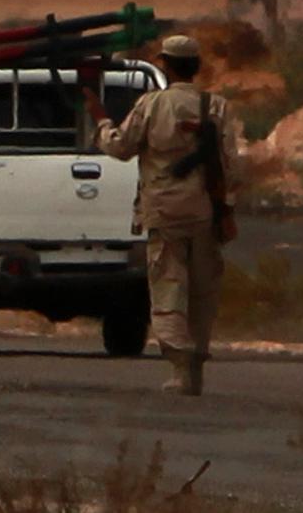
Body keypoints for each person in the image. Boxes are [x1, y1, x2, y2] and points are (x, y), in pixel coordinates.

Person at [84, 34, 242, 396]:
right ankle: (195, 370)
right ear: (196, 67)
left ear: (165, 65)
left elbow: (120, 147)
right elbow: (233, 168)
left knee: (169, 288)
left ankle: (182, 369)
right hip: (206, 212)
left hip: (163, 212)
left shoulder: (152, 105)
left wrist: (100, 119)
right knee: (203, 292)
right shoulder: (215, 106)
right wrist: (225, 208)